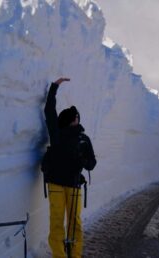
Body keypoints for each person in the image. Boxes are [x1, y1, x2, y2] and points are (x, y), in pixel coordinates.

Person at [43, 78, 96, 258]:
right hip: (57, 184)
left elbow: (92, 164)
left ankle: (75, 255)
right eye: (75, 117)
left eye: (77, 117)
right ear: (69, 120)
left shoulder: (83, 139)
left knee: (74, 223)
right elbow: (49, 111)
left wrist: (83, 158)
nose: (77, 119)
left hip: (72, 184)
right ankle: (59, 255)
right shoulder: (56, 134)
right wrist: (54, 87)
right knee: (58, 222)